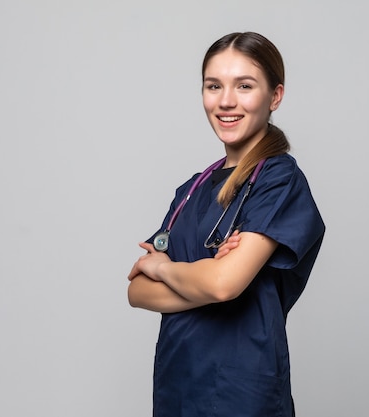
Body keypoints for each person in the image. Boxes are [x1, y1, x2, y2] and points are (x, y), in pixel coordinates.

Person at [127, 31, 325, 417]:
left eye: (244, 85)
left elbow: (223, 285)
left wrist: (165, 269)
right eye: (213, 85)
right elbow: (137, 291)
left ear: (275, 96)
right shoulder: (191, 190)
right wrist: (206, 274)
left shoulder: (278, 181)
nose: (226, 101)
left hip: (242, 386)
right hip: (178, 385)